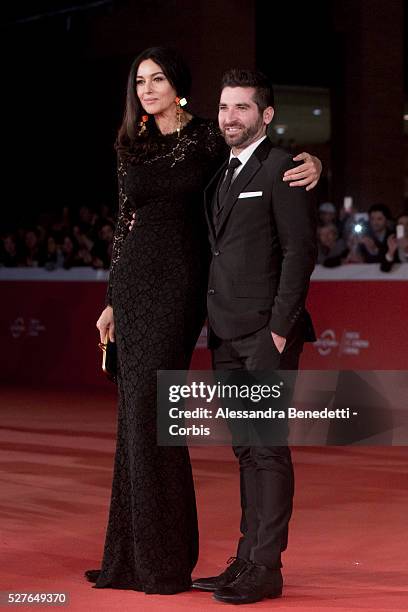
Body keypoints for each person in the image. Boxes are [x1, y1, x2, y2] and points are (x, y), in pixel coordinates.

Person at [85, 47, 322, 595]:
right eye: (139, 81)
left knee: (249, 440)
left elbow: (290, 227)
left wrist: (315, 164)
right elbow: (126, 225)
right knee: (208, 436)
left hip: (214, 306)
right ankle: (182, 558)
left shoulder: (221, 143)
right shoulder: (149, 150)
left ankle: (231, 564)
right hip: (169, 302)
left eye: (158, 78)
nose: (147, 88)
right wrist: (113, 298)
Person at [192, 69, 317, 604]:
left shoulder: (283, 167)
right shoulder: (222, 172)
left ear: (265, 115)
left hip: (265, 336)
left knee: (267, 452)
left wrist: (280, 333)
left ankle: (266, 568)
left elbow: (299, 251)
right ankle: (246, 560)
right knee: (247, 451)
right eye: (223, 107)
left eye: (242, 108)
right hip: (224, 333)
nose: (230, 118)